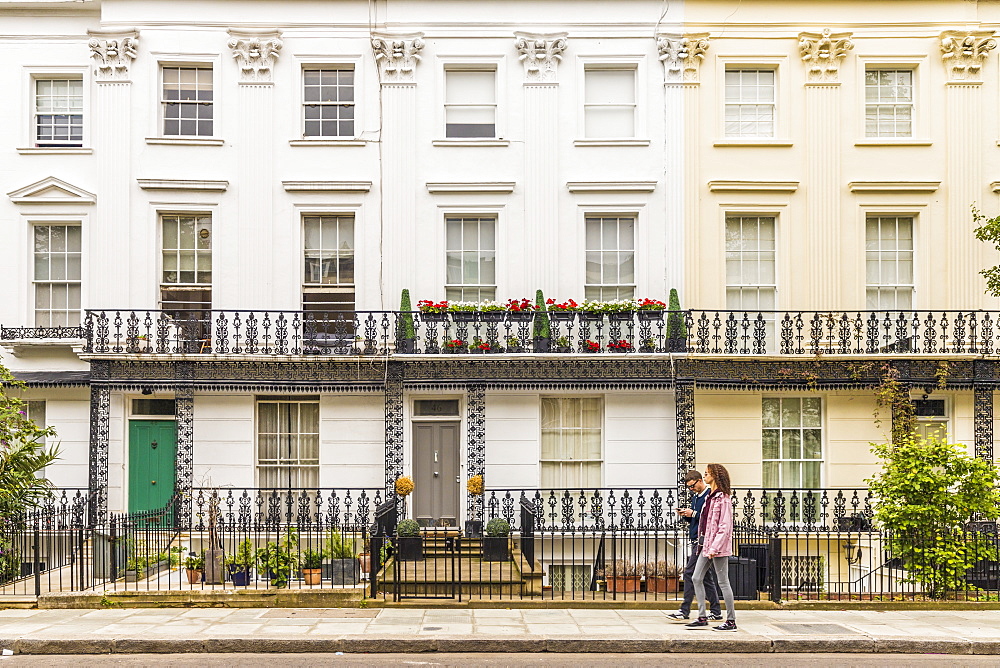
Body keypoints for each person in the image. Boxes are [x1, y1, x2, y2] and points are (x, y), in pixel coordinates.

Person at [685, 463, 737, 632]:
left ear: (715, 475)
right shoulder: (709, 497)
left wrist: (715, 547)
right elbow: (705, 523)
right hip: (705, 545)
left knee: (723, 582)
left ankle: (731, 621)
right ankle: (702, 617)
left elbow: (725, 526)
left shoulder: (724, 499)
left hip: (718, 547)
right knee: (696, 578)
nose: (705, 475)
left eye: (707, 473)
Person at [666, 470, 721, 622]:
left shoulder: (709, 496)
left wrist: (694, 514)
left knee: (689, 572)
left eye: (692, 486)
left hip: (703, 540)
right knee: (706, 577)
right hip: (696, 539)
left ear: (699, 481)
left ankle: (685, 610)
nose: (691, 489)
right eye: (689, 487)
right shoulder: (696, 497)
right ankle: (716, 610)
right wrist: (686, 515)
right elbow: (696, 519)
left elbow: (709, 517)